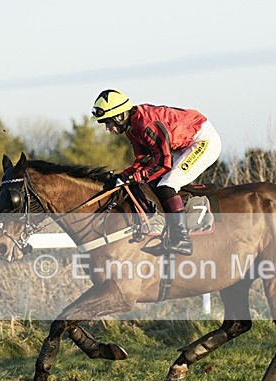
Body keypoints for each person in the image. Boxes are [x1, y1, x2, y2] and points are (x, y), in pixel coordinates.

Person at [91, 89, 221, 256]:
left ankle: (182, 239)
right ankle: (167, 229)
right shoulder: (132, 128)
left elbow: (163, 163)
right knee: (150, 182)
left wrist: (135, 176)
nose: (108, 128)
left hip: (202, 140)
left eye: (108, 122)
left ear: (119, 116)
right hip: (181, 144)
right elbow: (143, 160)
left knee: (168, 184)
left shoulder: (146, 124)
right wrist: (124, 176)